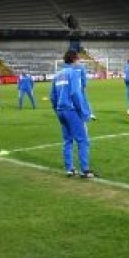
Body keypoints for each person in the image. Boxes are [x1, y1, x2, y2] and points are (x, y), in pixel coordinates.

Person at [51, 50, 96, 178]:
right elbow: (76, 94)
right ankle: (85, 170)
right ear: (75, 60)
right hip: (71, 110)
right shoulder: (73, 73)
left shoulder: (57, 75)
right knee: (83, 140)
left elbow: (52, 97)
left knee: (67, 140)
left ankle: (70, 169)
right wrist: (83, 111)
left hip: (61, 111)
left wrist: (58, 110)